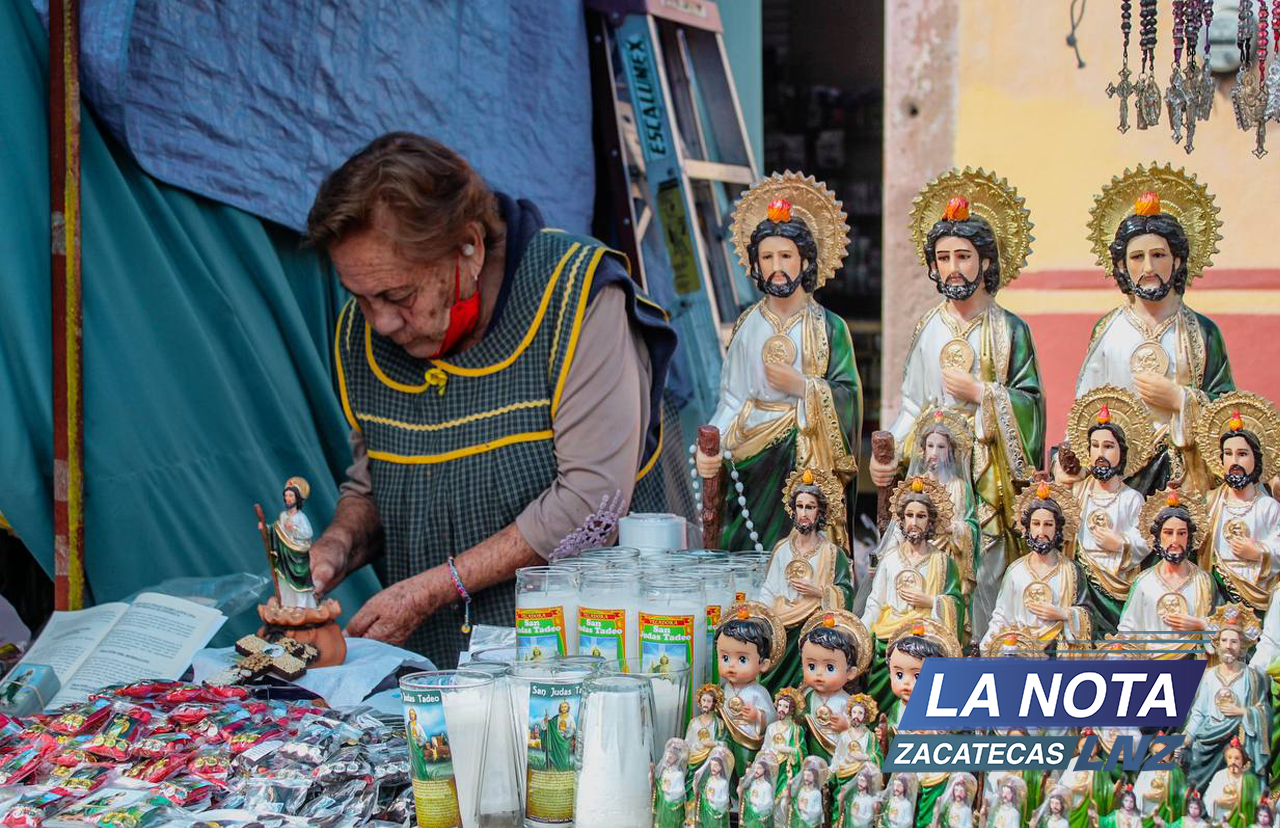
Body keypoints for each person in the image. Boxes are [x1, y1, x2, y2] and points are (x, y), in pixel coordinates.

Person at [303, 133, 676, 665]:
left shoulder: (576, 295)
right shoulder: (358, 336)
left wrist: (432, 589)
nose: (380, 322)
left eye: (398, 295)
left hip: (584, 665)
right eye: (359, 297)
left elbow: (591, 499)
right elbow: (376, 482)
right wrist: (339, 545)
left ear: (469, 247)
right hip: (434, 677)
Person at [873, 169, 1044, 582]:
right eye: (944, 258)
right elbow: (912, 404)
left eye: (963, 257)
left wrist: (983, 393)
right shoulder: (928, 327)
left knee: (984, 568)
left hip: (986, 473)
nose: (953, 268)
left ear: (986, 261)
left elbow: (1031, 404)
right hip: (932, 466)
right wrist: (892, 451)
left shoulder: (1010, 330)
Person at [695, 172, 862, 552]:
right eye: (767, 257)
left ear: (805, 261)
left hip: (805, 455)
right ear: (755, 264)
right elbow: (732, 398)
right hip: (748, 452)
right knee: (743, 546)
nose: (777, 266)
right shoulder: (747, 325)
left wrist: (803, 387)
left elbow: (849, 395)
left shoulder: (829, 327)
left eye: (785, 256)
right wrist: (711, 447)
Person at [1076, 169, 1234, 495]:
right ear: (1122, 266)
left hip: (1184, 479)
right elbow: (1085, 408)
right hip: (1117, 478)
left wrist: (1181, 399)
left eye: (1158, 255)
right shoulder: (1108, 330)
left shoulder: (1203, 333)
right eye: (1137, 257)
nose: (1148, 268)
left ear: (1177, 261)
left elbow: (1228, 415)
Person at [1055, 390, 1153, 635]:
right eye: (1095, 446)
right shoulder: (1079, 492)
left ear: (1122, 452)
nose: (1100, 454)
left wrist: (1120, 544)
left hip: (1117, 583)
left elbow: (1145, 540)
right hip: (1082, 583)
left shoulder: (1131, 499)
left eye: (1108, 447)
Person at [862, 476, 964, 711]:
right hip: (888, 640)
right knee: (880, 703)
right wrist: (862, 634)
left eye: (921, 516)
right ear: (902, 519)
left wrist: (931, 601)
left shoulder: (943, 561)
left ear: (930, 521)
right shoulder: (890, 559)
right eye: (909, 515)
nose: (914, 522)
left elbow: (956, 603)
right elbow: (875, 602)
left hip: (925, 642)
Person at [758, 468, 856, 689]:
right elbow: (769, 589)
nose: (803, 513)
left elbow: (846, 594)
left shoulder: (832, 553)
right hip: (781, 628)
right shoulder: (782, 549)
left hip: (814, 628)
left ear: (820, 512)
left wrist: (819, 592)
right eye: (799, 506)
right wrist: (764, 619)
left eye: (810, 507)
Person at [980, 480, 1092, 657]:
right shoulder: (1016, 571)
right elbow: (1002, 616)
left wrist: (1063, 614)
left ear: (1058, 528)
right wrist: (987, 647)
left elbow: (1088, 616)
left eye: (1048, 525)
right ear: (1027, 527)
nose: (1041, 532)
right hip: (1020, 653)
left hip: (1057, 654)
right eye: (1036, 524)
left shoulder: (1071, 571)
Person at [1192, 394, 1280, 618]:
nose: (1234, 462)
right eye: (1228, 454)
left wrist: (1259, 552)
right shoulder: (1210, 502)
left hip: (1258, 594)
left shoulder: (1268, 507)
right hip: (1217, 592)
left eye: (1242, 454)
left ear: (1256, 459)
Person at [1115, 487, 1215, 658]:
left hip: (1193, 663)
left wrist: (1201, 624)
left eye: (1181, 533)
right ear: (1158, 537)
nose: (1175, 541)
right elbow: (1128, 630)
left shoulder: (1204, 581)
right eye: (1168, 533)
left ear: (1189, 537)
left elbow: (1224, 627)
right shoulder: (1144, 582)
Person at [1182, 604, 1268, 794]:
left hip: (1239, 738)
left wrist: (1242, 711)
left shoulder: (1252, 677)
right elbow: (1199, 712)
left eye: (1234, 641)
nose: (1228, 646)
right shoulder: (1209, 676)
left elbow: (1263, 711)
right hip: (1208, 738)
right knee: (1193, 761)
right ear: (1218, 644)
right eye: (1224, 640)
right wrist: (1187, 737)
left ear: (1242, 646)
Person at [714, 603, 783, 784]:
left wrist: (757, 715)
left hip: (748, 739)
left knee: (745, 767)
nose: (731, 665)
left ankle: (746, 789)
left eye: (742, 659)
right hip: (727, 735)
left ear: (763, 664)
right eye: (725, 657)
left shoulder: (758, 692)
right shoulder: (724, 689)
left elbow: (772, 717)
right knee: (722, 765)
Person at [260, 477, 316, 608]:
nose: (288, 499)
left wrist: (294, 529)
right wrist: (266, 529)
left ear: (297, 498)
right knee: (284, 580)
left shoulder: (301, 517)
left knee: (299, 582)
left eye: (291, 496)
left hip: (297, 556)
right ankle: (287, 604)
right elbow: (277, 530)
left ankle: (302, 606)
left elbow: (308, 533)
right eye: (286, 496)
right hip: (284, 554)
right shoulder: (283, 516)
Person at [758, 688, 806, 798]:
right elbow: (765, 746)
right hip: (771, 767)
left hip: (787, 770)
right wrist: (765, 755)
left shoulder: (797, 730)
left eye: (785, 706)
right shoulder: (771, 727)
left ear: (792, 710)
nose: (781, 709)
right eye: (779, 705)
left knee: (784, 798)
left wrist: (790, 750)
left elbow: (802, 751)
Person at [652, 737, 689, 828]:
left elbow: (680, 791)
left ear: (677, 758)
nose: (668, 758)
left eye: (671, 757)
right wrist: (653, 780)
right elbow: (659, 786)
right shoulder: (665, 772)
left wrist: (669, 791)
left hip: (672, 806)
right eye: (667, 756)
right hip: (663, 805)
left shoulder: (678, 774)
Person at [738, 754, 781, 828]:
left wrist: (756, 803)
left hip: (760, 820)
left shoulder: (767, 786)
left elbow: (769, 805)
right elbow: (746, 797)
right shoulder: (753, 783)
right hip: (750, 817)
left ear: (765, 769)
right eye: (755, 768)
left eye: (759, 768)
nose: (756, 770)